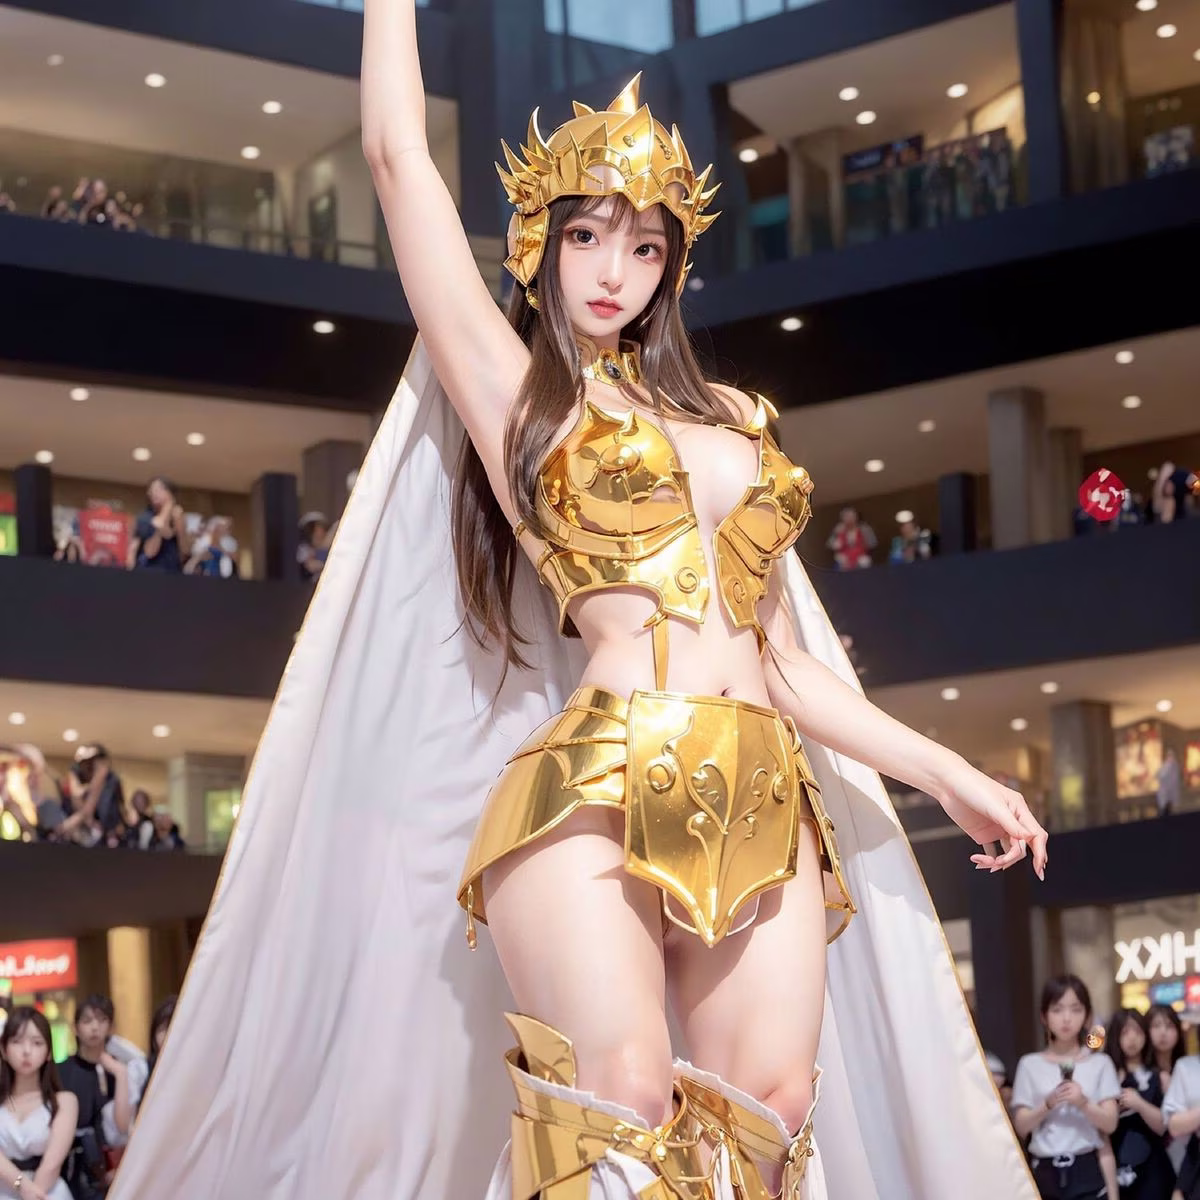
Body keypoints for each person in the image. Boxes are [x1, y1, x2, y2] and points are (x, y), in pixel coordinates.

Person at [108, 34, 1047, 1200]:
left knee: (770, 1119)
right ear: (540, 243)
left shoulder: (735, 420)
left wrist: (945, 773)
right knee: (620, 1100)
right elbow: (397, 157)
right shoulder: (519, 398)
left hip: (761, 782)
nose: (615, 271)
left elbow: (784, 662)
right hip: (591, 781)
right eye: (588, 236)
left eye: (645, 247)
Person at [1012, 975, 1120, 1199]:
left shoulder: (1100, 1063)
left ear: (1087, 1016)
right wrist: (1047, 1104)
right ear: (1044, 1016)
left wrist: (1083, 1103)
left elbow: (1110, 1123)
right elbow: (1021, 1127)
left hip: (1086, 1167)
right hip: (1045, 1170)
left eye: (1076, 1009)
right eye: (1057, 1009)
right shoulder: (1029, 1064)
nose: (1066, 1018)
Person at [56, 996, 133, 1196]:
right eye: (87, 1020)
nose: (95, 1027)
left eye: (101, 1020)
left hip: (115, 1168)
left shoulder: (121, 1070)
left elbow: (125, 1126)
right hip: (72, 1169)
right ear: (75, 1028)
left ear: (111, 1027)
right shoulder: (60, 1071)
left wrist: (121, 1074)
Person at [0, 1007, 77, 1200]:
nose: (26, 1051)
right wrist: (22, 1187)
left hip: (47, 1193)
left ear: (48, 1052)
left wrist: (33, 1194)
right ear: (3, 1050)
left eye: (37, 1043)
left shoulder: (64, 1101)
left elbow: (52, 1164)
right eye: (17, 1041)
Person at [1104, 1008, 1174, 1199]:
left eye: (1137, 1031)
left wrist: (1139, 1104)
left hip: (1153, 1168)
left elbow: (1164, 1127)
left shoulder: (1159, 1077)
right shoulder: (1107, 1075)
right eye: (1125, 1032)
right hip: (1115, 1161)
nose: (1132, 1038)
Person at [127, 478, 188, 573]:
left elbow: (185, 550)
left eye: (159, 489)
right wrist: (166, 511)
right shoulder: (145, 518)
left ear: (170, 493)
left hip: (172, 572)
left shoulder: (177, 516)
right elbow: (149, 552)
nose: (154, 493)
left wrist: (180, 525)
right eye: (152, 490)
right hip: (148, 571)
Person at [1157, 748, 1183, 818]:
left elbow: (1161, 775)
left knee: (1169, 808)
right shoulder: (1167, 765)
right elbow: (1159, 775)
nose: (1170, 757)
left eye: (1171, 756)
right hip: (1166, 792)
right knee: (1166, 808)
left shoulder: (1173, 765)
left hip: (1169, 792)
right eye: (1169, 756)